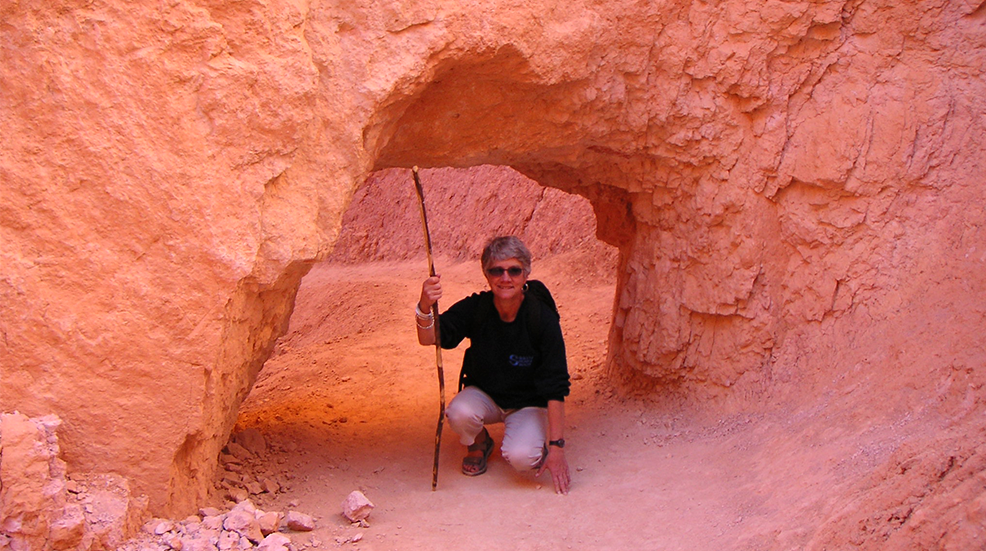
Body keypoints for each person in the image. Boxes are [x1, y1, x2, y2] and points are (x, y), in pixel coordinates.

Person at [415, 236, 572, 494]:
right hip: (486, 396)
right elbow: (430, 339)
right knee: (458, 413)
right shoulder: (477, 308)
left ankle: (530, 437)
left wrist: (556, 447)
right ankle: (479, 441)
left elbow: (556, 385)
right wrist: (424, 306)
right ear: (486, 274)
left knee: (523, 459)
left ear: (526, 274)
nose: (505, 278)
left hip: (526, 402)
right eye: (496, 270)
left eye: (514, 270)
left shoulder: (541, 317)